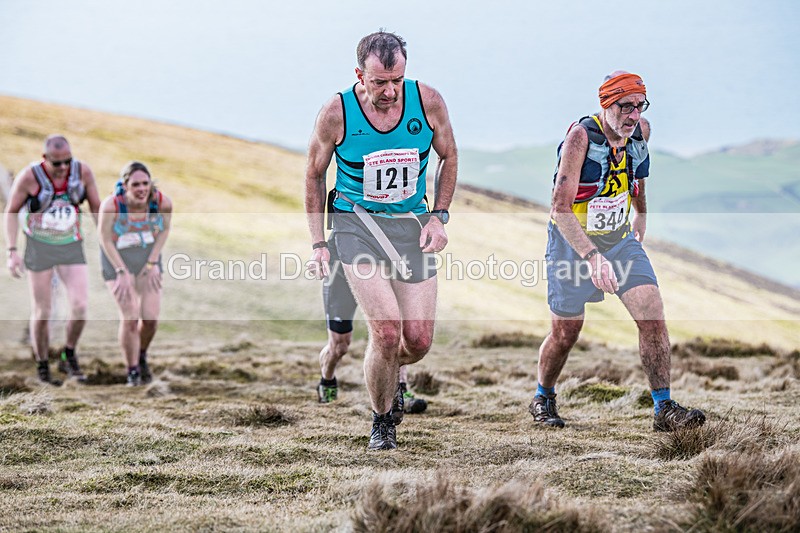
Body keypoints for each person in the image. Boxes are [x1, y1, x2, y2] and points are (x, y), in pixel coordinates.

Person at [305, 31, 457, 450]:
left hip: (411, 227)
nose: (390, 91)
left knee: (418, 342)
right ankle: (382, 420)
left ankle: (384, 374)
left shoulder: (427, 102)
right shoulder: (336, 113)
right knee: (386, 332)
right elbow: (315, 176)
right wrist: (319, 242)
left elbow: (449, 155)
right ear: (360, 74)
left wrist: (439, 217)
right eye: (379, 83)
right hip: (356, 226)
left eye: (396, 80)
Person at [531, 71, 706, 432]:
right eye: (625, 106)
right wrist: (592, 258)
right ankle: (543, 395)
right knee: (566, 333)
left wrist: (641, 212)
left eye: (639, 106)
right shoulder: (580, 138)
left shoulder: (641, 131)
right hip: (572, 241)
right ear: (606, 104)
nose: (633, 115)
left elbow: (635, 172)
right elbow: (559, 209)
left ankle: (663, 408)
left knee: (652, 316)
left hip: (619, 239)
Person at [4, 135, 101, 384]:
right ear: (44, 158)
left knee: (80, 306)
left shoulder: (82, 173)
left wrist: (108, 242)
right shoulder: (29, 177)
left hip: (70, 245)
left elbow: (97, 209)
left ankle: (68, 353)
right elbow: (11, 212)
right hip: (39, 247)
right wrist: (12, 251)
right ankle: (42, 364)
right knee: (43, 311)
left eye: (67, 161)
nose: (63, 167)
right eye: (57, 163)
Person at [317, 233, 428, 424]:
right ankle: (327, 381)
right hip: (342, 267)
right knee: (339, 345)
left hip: (384, 263)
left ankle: (400, 388)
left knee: (393, 332)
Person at [98, 161, 172, 386]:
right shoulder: (111, 205)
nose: (141, 189)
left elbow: (165, 229)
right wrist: (121, 271)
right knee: (130, 316)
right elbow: (104, 238)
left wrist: (152, 264)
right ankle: (132, 372)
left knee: (150, 319)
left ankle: (141, 355)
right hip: (116, 259)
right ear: (125, 185)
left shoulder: (161, 203)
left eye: (145, 184)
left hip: (147, 257)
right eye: (136, 184)